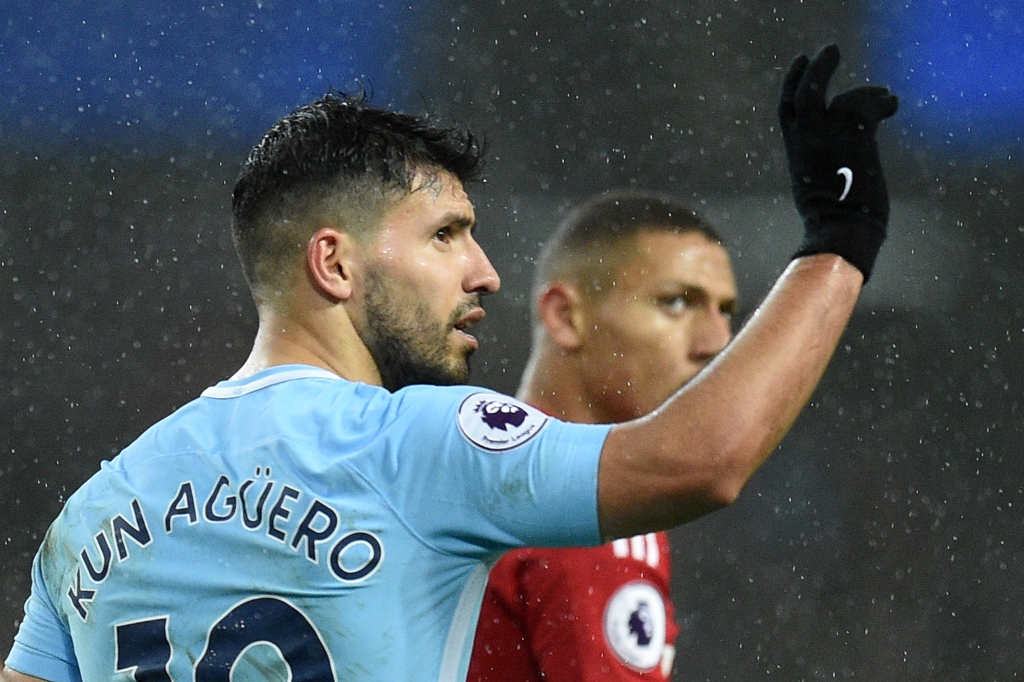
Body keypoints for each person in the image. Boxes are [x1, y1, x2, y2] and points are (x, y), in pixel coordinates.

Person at [1, 44, 897, 682]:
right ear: (337, 264)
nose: (486, 272)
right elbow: (700, 460)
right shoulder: (416, 446)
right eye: (446, 236)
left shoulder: (95, 511)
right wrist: (838, 244)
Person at [468, 190, 739, 682]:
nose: (717, 343)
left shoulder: (471, 469)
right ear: (566, 316)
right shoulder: (584, 510)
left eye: (726, 312)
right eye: (676, 302)